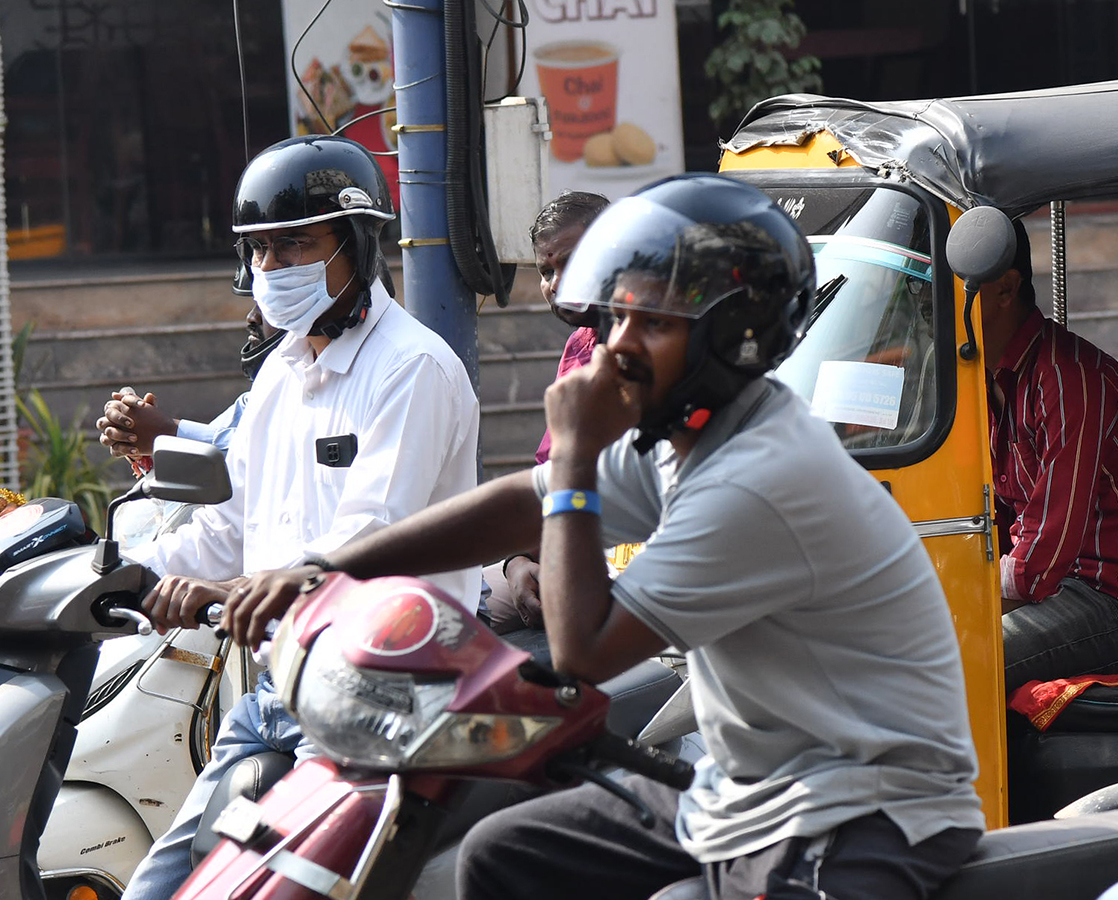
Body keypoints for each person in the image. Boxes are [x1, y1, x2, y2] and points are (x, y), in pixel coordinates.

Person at [226, 174, 985, 900]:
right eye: (617, 316)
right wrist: (323, 569)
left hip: (858, 807)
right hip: (744, 787)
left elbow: (585, 649)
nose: (617, 344)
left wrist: (578, 453)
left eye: (652, 323)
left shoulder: (760, 476)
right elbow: (520, 504)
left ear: (731, 337)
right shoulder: (689, 435)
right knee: (504, 857)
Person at [118, 134, 480, 900]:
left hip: (385, 700)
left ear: (355, 244)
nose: (270, 270)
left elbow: (369, 543)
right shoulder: (283, 372)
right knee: (164, 884)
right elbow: (231, 523)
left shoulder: (411, 369)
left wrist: (231, 594)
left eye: (294, 246)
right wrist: (129, 577)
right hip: (282, 689)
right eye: (259, 253)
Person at [981, 219, 1118, 694]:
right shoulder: (986, 379)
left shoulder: (1067, 376)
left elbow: (1040, 558)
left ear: (1006, 289)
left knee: (964, 662)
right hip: (1059, 588)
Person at [485, 190, 609, 635]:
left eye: (574, 262)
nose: (557, 284)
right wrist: (515, 560)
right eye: (546, 270)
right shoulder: (579, 344)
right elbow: (549, 476)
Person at [96, 268, 284, 461]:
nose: (252, 317)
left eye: (268, 302)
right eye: (256, 303)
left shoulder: (309, 384)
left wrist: (167, 434)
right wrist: (139, 437)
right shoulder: (266, 390)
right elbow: (216, 442)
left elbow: (275, 457)